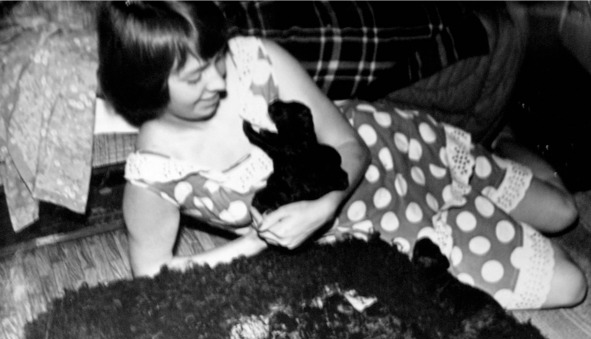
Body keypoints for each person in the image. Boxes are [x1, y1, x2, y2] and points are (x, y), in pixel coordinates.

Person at [97, 1, 586, 310]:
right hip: (372, 229)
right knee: (571, 285)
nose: (220, 81)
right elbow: (154, 277)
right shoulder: (154, 173)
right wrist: (258, 243)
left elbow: (352, 145)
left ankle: (506, 146)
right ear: (148, 84)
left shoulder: (255, 59)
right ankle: (494, 172)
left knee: (564, 211)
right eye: (194, 76)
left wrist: (324, 205)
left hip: (396, 151)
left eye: (217, 57)